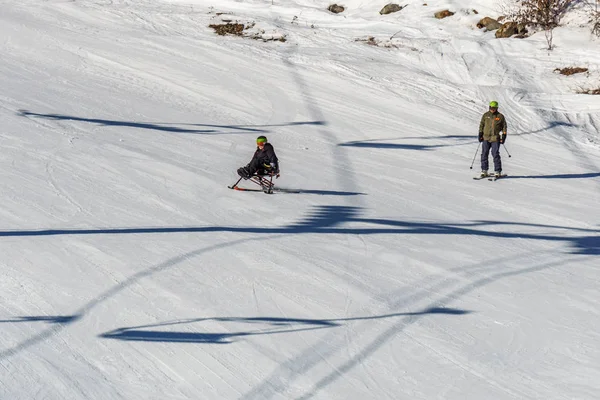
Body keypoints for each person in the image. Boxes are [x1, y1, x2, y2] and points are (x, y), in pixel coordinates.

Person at [478, 100, 507, 178]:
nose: (492, 109)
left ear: (497, 108)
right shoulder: (485, 115)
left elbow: (504, 126)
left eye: (494, 108)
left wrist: (504, 135)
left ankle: (497, 171)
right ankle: (484, 170)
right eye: (491, 107)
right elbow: (482, 124)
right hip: (486, 137)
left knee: (495, 154)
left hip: (495, 138)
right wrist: (480, 133)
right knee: (484, 154)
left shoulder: (500, 116)